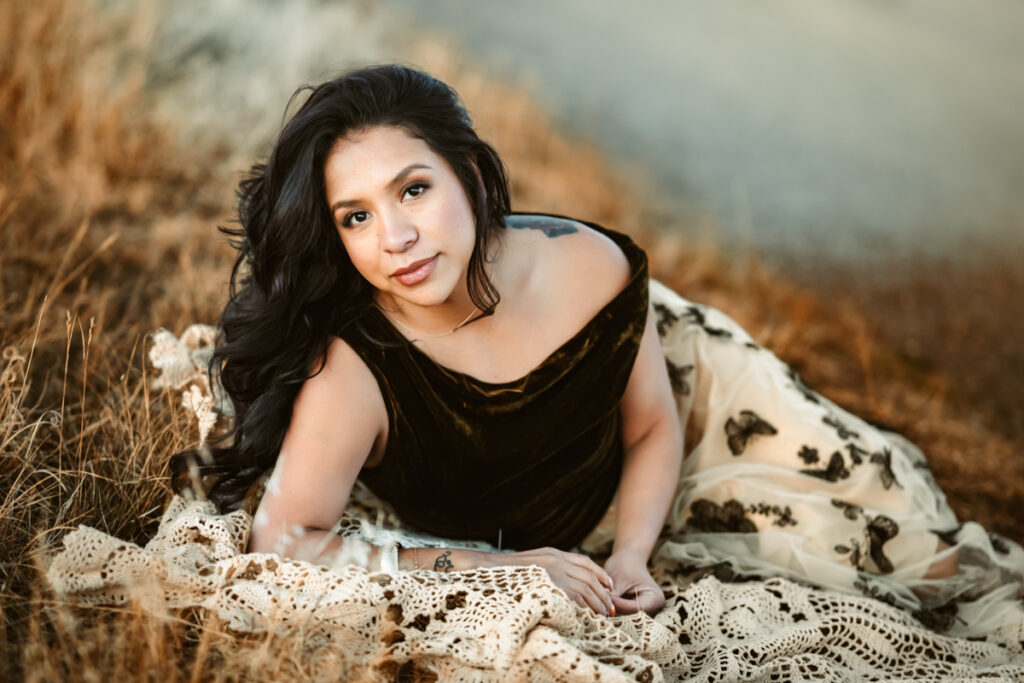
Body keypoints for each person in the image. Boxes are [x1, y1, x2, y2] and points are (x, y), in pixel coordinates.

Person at [172, 63, 1021, 626]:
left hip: (701, 398)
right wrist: (492, 568)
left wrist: (631, 557)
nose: (394, 236)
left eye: (414, 188)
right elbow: (282, 542)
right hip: (534, 511)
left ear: (469, 174)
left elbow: (655, 424)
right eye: (355, 216)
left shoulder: (589, 265)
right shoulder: (353, 370)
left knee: (926, 556)